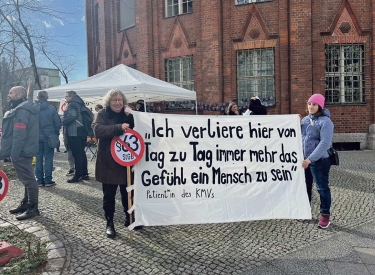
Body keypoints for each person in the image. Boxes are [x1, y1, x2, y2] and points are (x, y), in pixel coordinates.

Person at [92, 88, 135, 238]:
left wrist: (132, 117)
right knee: (109, 195)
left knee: (128, 193)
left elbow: (138, 131)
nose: (117, 103)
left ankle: (130, 217)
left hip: (126, 161)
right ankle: (109, 222)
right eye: (114, 100)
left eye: (119, 100)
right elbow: (98, 130)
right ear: (108, 102)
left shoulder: (128, 114)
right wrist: (118, 127)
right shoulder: (102, 114)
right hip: (108, 162)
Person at [1, 86, 40, 220]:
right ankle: (26, 203)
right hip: (24, 149)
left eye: (11, 93)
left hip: (22, 151)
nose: (8, 95)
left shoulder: (21, 111)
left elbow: (19, 134)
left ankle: (32, 208)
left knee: (28, 179)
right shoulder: (23, 109)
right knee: (26, 179)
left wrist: (14, 153)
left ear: (19, 96)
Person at [301, 94, 334, 229]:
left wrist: (310, 159)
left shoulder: (326, 122)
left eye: (314, 104)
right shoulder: (304, 120)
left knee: (322, 188)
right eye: (309, 104)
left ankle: (325, 216)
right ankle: (305, 210)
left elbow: (325, 143)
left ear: (320, 106)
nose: (311, 106)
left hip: (319, 161)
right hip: (305, 160)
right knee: (305, 187)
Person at [35, 91, 61, 187]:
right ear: (47, 97)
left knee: (38, 159)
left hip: (36, 136)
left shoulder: (33, 108)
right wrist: (55, 133)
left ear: (37, 97)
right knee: (48, 158)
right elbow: (57, 123)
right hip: (49, 136)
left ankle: (39, 180)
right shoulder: (51, 108)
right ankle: (48, 180)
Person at [62, 90, 89, 183]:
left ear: (71, 97)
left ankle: (78, 175)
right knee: (82, 153)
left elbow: (72, 115)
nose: (65, 98)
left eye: (66, 96)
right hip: (82, 131)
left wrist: (63, 121)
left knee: (77, 155)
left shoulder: (72, 104)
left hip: (74, 132)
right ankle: (85, 173)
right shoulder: (80, 103)